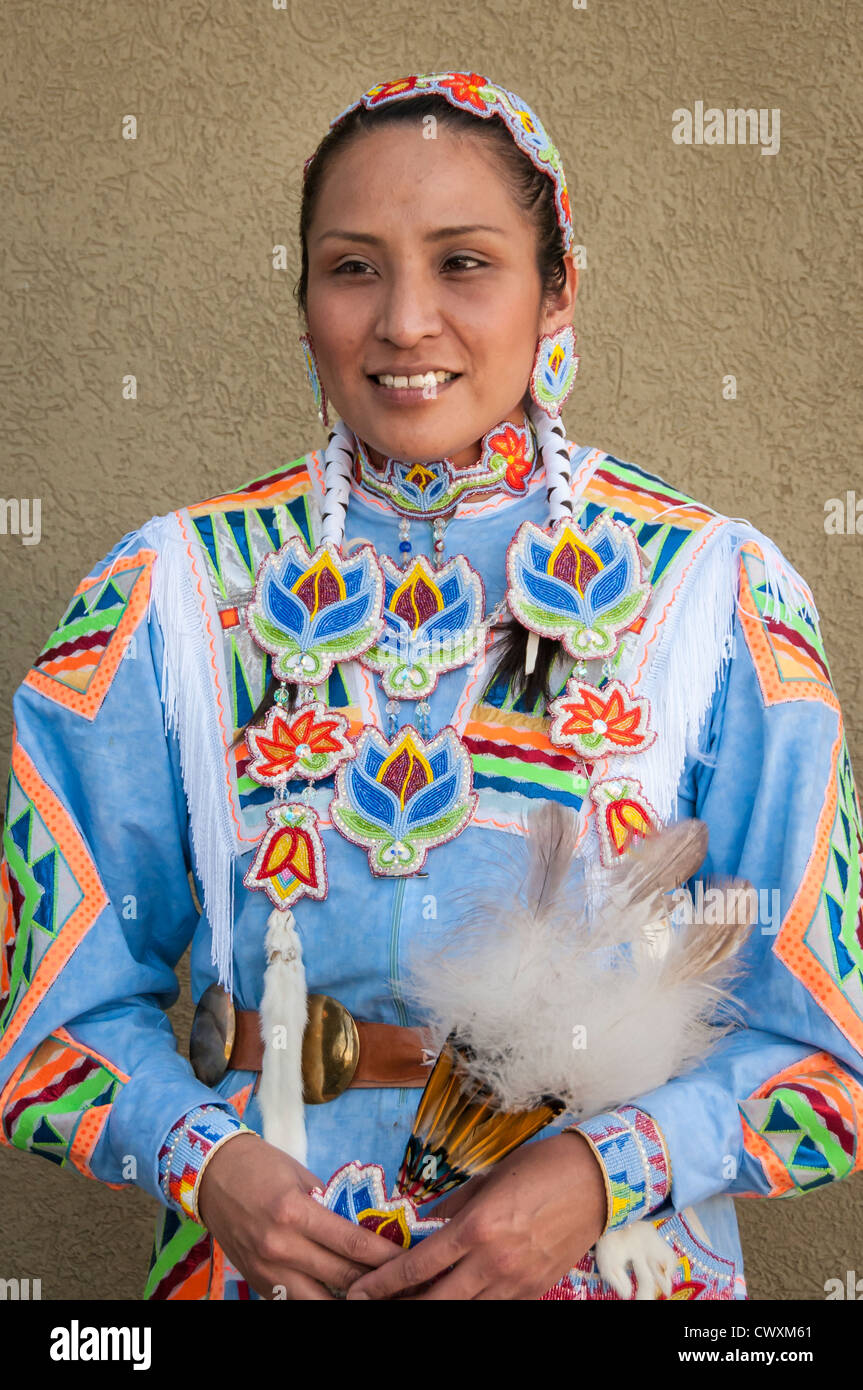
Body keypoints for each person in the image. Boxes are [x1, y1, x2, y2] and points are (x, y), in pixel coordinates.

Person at [1, 70, 860, 1303]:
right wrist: (207, 1160)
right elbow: (48, 1020)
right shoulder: (167, 594)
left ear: (556, 287)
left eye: (464, 262)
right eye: (353, 268)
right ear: (301, 300)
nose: (406, 320)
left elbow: (828, 1052)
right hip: (259, 1270)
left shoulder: (714, 596)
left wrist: (599, 1170)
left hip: (612, 1269)